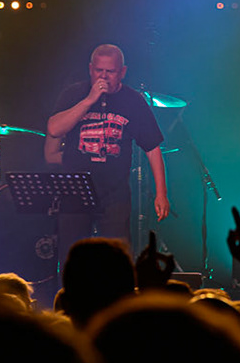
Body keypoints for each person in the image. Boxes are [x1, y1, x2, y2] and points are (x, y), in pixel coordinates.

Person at [46, 44, 168, 253]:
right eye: (98, 70)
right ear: (90, 69)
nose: (103, 76)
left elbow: (152, 148)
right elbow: (54, 129)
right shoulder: (74, 93)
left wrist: (161, 193)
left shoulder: (133, 101)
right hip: (75, 191)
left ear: (122, 72)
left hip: (114, 193)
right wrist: (89, 100)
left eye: (110, 71)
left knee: (117, 256)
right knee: (72, 255)